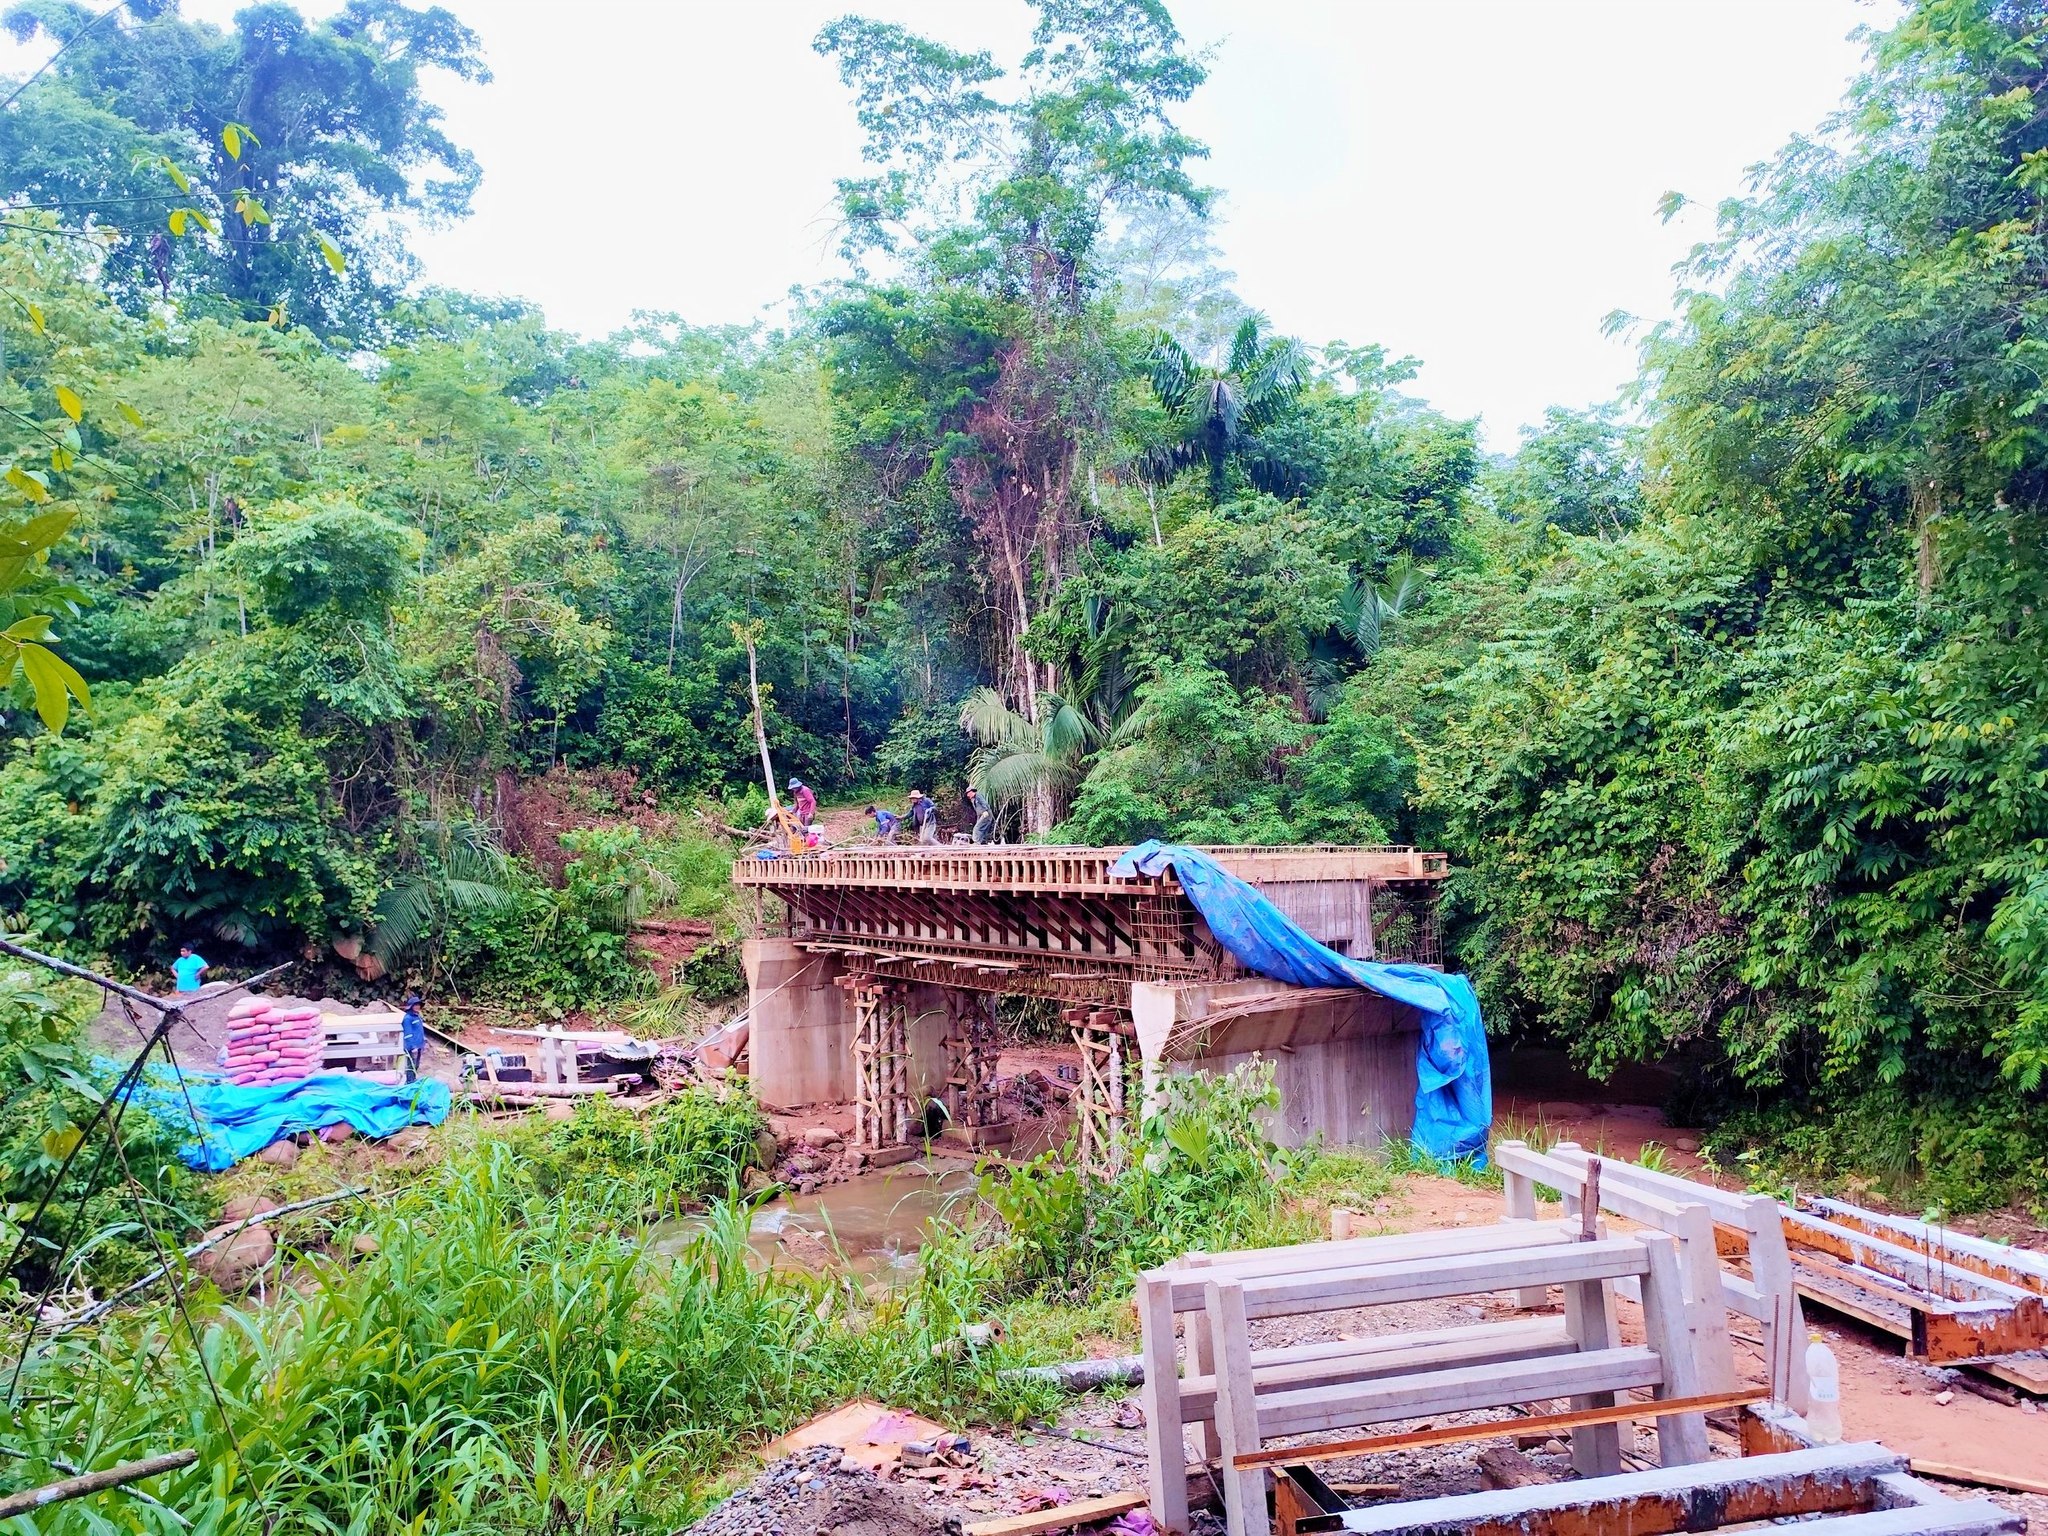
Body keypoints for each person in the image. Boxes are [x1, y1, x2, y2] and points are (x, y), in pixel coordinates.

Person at [400, 992, 426, 1079]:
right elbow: (408, 1034)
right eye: (415, 1005)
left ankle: (413, 1080)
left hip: (418, 1045)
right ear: (411, 1006)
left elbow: (419, 1031)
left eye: (418, 1005)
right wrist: (413, 1047)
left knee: (416, 1065)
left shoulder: (417, 1017)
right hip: (412, 1047)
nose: (417, 1007)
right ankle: (410, 1081)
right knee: (411, 1066)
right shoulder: (407, 1018)